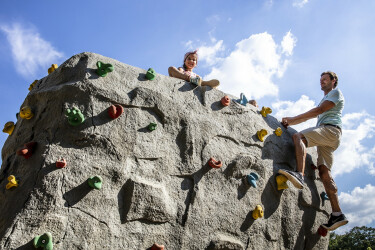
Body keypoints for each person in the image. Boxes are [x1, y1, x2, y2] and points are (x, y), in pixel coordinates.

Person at [278, 71, 348, 231]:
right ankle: (337, 213)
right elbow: (315, 113)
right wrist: (293, 120)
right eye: (320, 80)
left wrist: (293, 119)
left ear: (334, 80)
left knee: (298, 137)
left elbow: (318, 111)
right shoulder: (327, 97)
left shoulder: (335, 93)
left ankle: (299, 175)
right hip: (331, 137)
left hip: (330, 130)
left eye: (325, 79)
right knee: (324, 172)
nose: (321, 82)